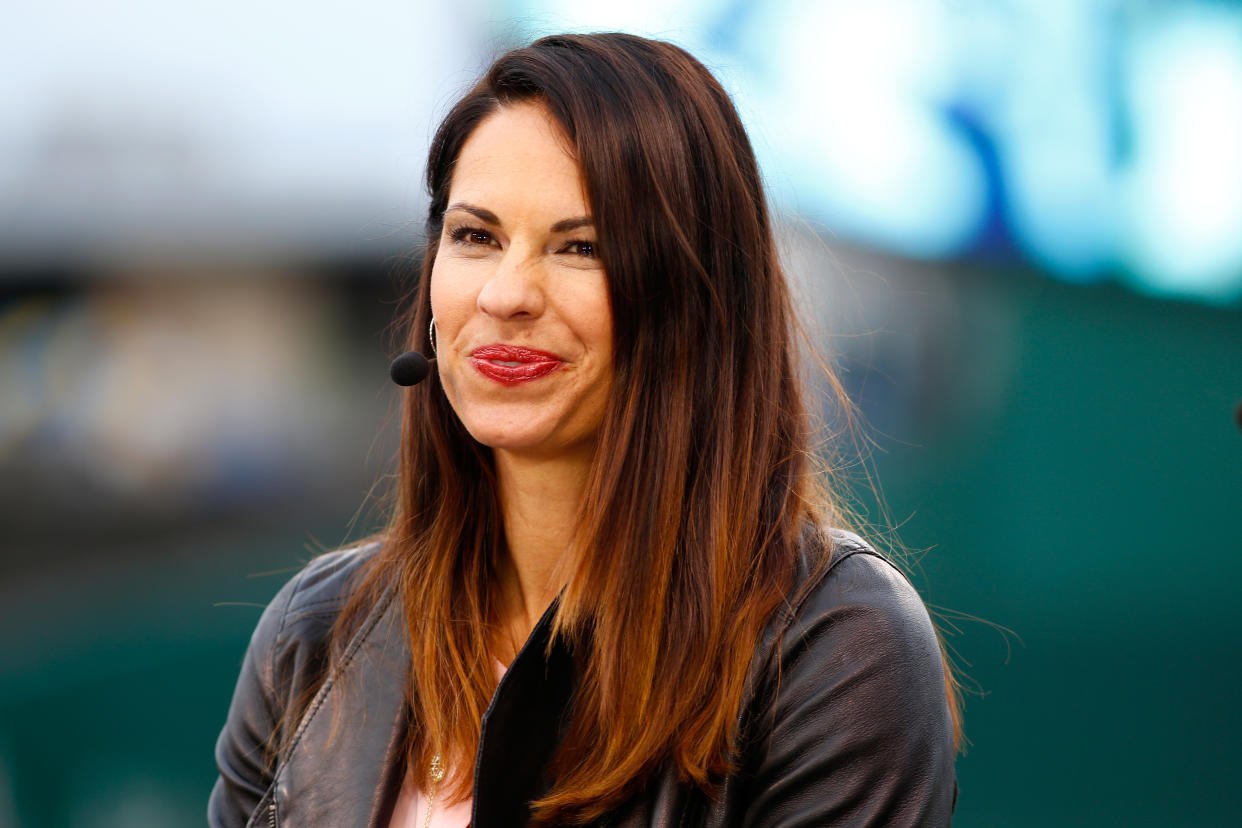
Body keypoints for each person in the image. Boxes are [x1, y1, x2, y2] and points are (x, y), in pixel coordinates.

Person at [209, 32, 959, 828]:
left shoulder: (834, 650)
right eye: (476, 237)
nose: (505, 294)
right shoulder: (315, 639)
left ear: (697, 303)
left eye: (581, 247)